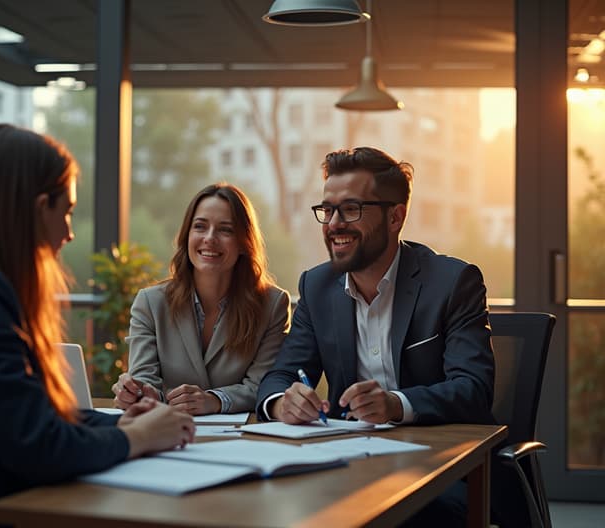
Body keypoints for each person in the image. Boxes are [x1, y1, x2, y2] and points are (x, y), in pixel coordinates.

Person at [0, 124, 194, 528]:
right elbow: (38, 445)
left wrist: (120, 423)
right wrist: (139, 437)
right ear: (40, 208)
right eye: (67, 211)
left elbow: (27, 416)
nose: (70, 234)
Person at [256, 146, 494, 526]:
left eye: (351, 209)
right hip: (344, 462)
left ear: (396, 216)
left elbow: (473, 388)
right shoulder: (316, 286)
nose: (334, 223)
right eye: (327, 210)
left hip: (433, 465)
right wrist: (281, 403)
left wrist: (395, 404)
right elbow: (278, 377)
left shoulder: (452, 282)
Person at [112, 183, 291, 415]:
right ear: (187, 236)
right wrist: (138, 393)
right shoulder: (150, 303)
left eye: (225, 230)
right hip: (168, 432)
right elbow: (146, 379)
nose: (209, 238)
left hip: (241, 440)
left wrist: (215, 400)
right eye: (200, 227)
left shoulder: (273, 305)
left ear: (244, 244)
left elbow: (262, 385)